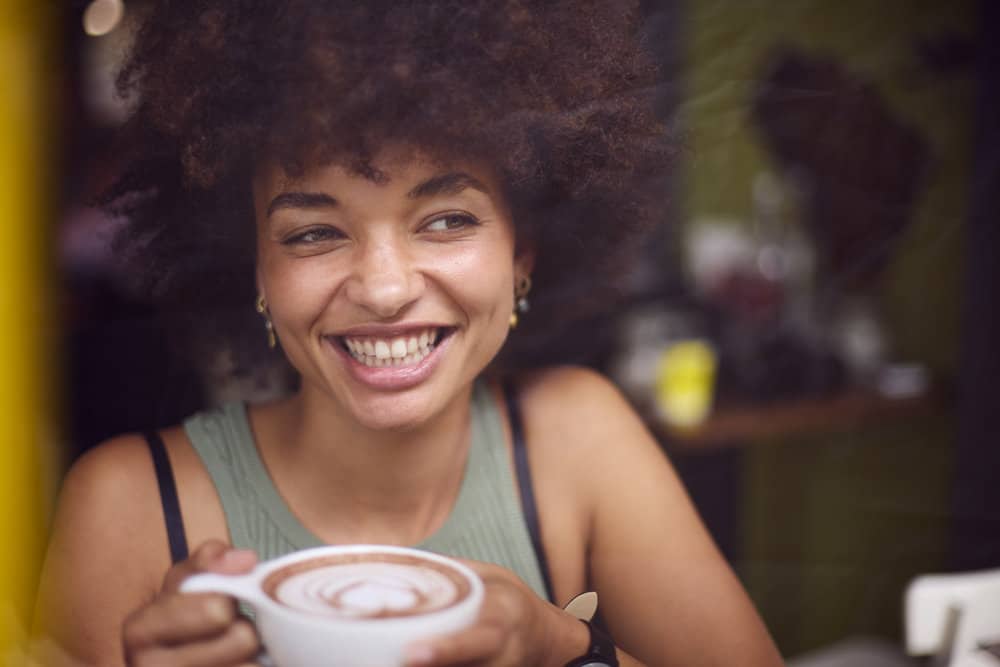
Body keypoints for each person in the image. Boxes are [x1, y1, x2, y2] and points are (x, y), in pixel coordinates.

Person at [35, 2, 785, 666]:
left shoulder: (578, 439)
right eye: (314, 232)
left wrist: (563, 646)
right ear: (255, 270)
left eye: (448, 219)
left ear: (520, 254)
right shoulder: (129, 507)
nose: (385, 289)